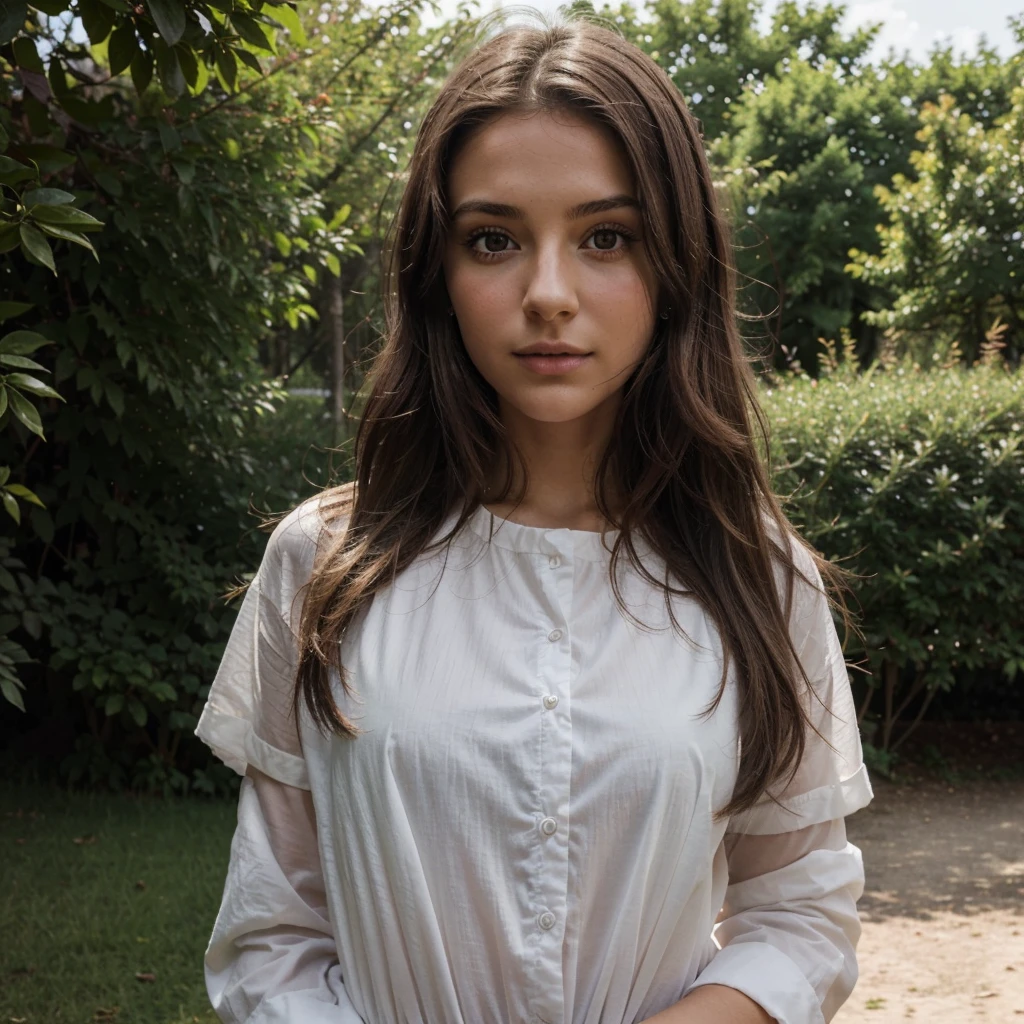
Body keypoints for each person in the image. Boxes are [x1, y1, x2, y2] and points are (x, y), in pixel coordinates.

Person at [195, 15, 873, 1024]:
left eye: (607, 236)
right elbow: (275, 934)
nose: (547, 294)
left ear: (675, 267)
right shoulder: (322, 563)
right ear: (438, 273)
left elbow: (801, 916)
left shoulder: (761, 579)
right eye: (494, 239)